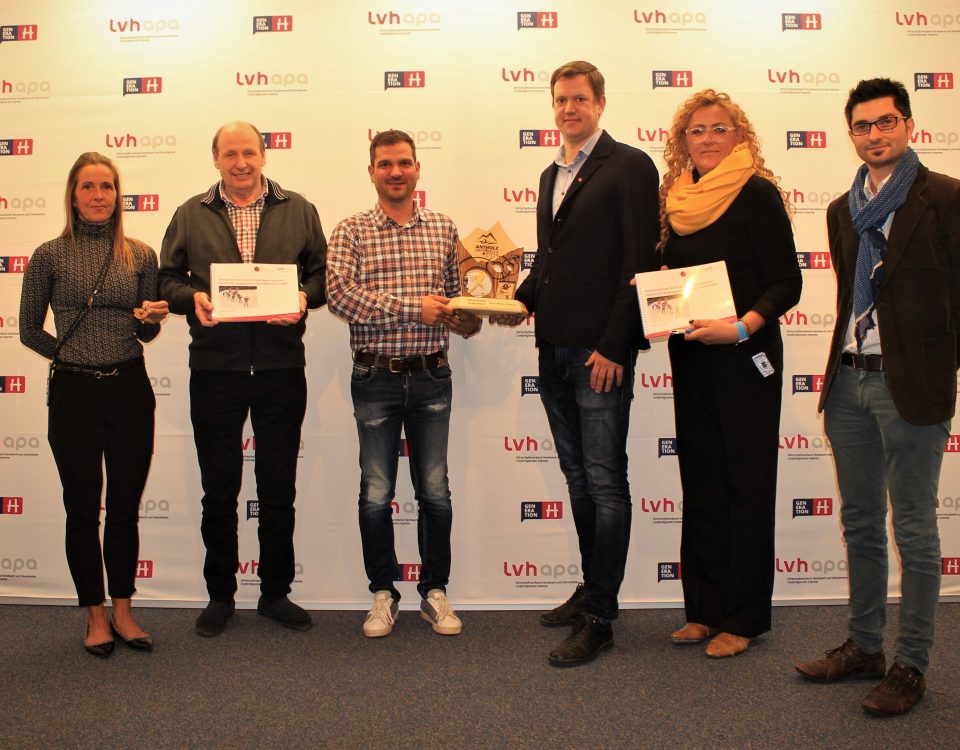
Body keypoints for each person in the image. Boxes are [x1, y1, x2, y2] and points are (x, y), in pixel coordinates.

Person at [795, 78, 960, 716]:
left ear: (909, 125)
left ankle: (910, 663)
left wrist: (933, 367)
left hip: (908, 387)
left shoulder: (944, 198)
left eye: (886, 122)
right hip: (848, 382)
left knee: (913, 528)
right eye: (863, 126)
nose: (875, 134)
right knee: (861, 522)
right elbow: (849, 295)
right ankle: (865, 646)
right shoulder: (843, 209)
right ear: (851, 135)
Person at [498, 61, 660, 666]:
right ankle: (593, 588)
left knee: (606, 483)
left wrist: (616, 345)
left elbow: (640, 263)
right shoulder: (550, 173)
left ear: (600, 103)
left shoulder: (630, 166)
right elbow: (548, 261)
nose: (569, 109)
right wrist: (511, 302)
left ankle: (601, 617)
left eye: (580, 99)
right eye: (561, 100)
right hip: (554, 350)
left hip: (600, 355)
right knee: (578, 480)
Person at [158, 121, 327, 636]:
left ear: (264, 155)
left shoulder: (299, 209)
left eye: (249, 152)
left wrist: (303, 297)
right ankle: (220, 595)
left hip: (280, 368)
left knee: (277, 488)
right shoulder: (191, 213)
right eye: (230, 153)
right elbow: (166, 279)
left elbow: (322, 275)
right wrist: (192, 298)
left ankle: (275, 593)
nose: (241, 162)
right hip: (216, 370)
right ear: (216, 159)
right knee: (219, 491)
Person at [658, 90, 801, 658]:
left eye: (720, 128)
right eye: (697, 130)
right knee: (702, 482)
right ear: (683, 141)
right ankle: (704, 610)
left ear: (739, 136)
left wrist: (742, 328)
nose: (708, 138)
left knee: (746, 483)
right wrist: (653, 291)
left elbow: (787, 281)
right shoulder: (676, 200)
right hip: (693, 356)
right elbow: (674, 276)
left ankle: (742, 618)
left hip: (746, 356)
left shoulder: (756, 193)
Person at [326, 129, 480, 638]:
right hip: (375, 376)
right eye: (386, 164)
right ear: (372, 172)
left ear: (417, 169)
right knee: (376, 493)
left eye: (404, 163)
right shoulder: (350, 231)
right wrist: (414, 308)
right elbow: (340, 297)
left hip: (432, 374)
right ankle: (383, 593)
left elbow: (460, 300)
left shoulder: (443, 227)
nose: (396, 172)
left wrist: (471, 315)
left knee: (436, 491)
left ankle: (435, 591)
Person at [19, 152, 169, 657]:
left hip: (129, 391)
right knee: (82, 510)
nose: (99, 195)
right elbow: (28, 330)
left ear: (117, 195)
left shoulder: (141, 254)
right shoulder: (48, 255)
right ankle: (95, 616)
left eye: (107, 186)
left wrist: (152, 319)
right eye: (88, 186)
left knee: (124, 509)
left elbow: (146, 333)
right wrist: (70, 356)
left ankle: (123, 611)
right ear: (73, 194)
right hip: (75, 395)